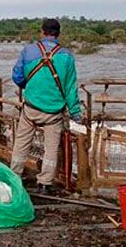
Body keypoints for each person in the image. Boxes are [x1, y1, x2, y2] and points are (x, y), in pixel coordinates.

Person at [10, 18, 81, 194]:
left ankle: (14, 177)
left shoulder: (29, 50)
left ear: (42, 32)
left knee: (21, 143)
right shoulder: (67, 56)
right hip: (54, 112)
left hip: (31, 108)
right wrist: (75, 113)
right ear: (58, 34)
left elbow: (17, 76)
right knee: (51, 149)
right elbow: (71, 88)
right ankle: (44, 184)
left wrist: (30, 87)